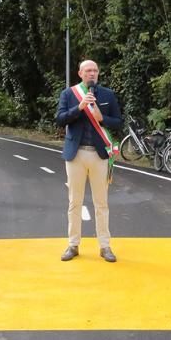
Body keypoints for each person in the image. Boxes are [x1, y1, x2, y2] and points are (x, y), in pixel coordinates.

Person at [55, 60, 122, 263]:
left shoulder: (108, 95)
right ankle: (73, 244)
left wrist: (102, 118)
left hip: (99, 155)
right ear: (80, 73)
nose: (92, 73)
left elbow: (118, 122)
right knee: (74, 202)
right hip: (76, 155)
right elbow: (59, 118)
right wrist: (79, 108)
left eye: (95, 70)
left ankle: (105, 246)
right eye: (88, 71)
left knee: (101, 203)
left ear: (98, 73)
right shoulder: (69, 94)